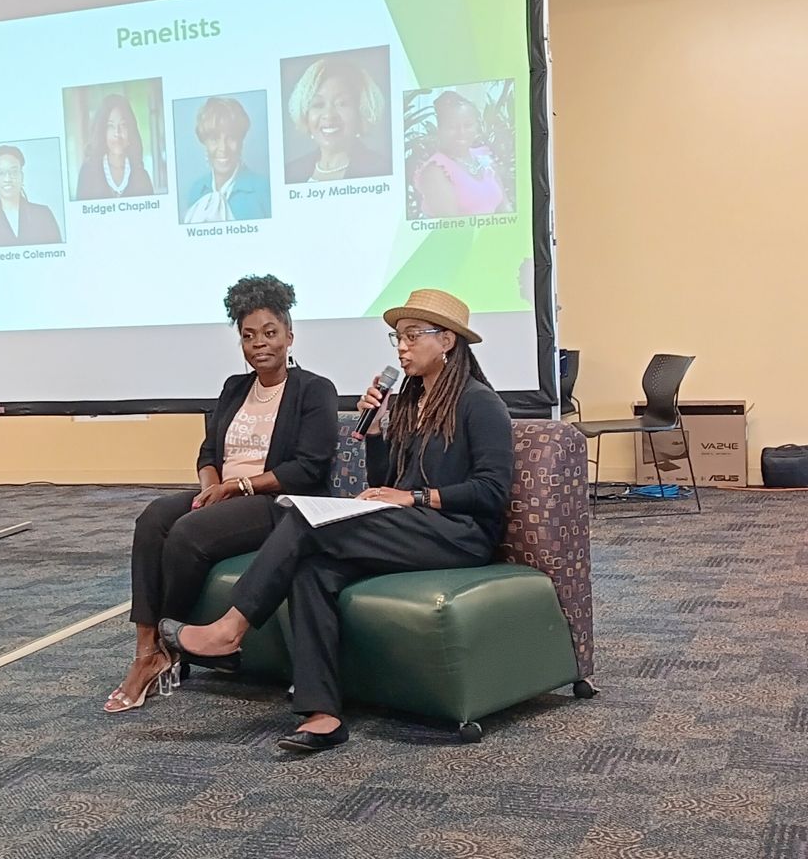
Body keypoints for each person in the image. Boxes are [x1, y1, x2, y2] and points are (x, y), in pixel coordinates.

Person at [162, 288, 511, 753]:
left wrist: (416, 497)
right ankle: (323, 713)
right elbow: (387, 480)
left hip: (461, 536)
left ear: (447, 341)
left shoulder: (478, 402)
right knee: (311, 571)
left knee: (308, 522)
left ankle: (231, 628)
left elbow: (491, 492)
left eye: (412, 336)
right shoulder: (408, 402)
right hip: (411, 527)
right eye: (397, 338)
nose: (402, 348)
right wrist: (377, 428)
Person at [107, 275, 339, 714]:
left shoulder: (314, 389)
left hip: (278, 503)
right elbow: (209, 450)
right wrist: (211, 486)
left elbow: (308, 468)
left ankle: (166, 643)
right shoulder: (235, 387)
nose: (259, 344)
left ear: (290, 335)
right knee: (154, 518)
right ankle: (145, 648)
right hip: (227, 491)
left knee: (190, 532)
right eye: (248, 336)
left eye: (270, 333)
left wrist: (239, 486)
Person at [284, 55, 392, 184]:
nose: (329, 115)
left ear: (361, 111)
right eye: (318, 105)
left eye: (342, 103)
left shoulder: (381, 169)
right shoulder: (290, 172)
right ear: (305, 115)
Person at [414, 91, 509, 217]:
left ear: (477, 126)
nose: (461, 132)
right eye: (452, 127)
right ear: (440, 130)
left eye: (468, 125)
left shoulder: (484, 157)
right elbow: (453, 228)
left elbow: (505, 208)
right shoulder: (434, 171)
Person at [181, 97, 271, 224]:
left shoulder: (263, 189)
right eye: (214, 139)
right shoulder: (196, 190)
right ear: (204, 142)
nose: (223, 148)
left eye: (231, 138)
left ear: (241, 140)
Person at [0, 145, 63, 247]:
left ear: (22, 176)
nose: (7, 179)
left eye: (13, 171)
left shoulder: (43, 215)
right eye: (0, 173)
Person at [73, 93, 156, 200]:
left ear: (131, 131)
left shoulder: (142, 177)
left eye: (123, 125)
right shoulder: (87, 173)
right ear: (102, 131)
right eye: (110, 126)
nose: (117, 133)